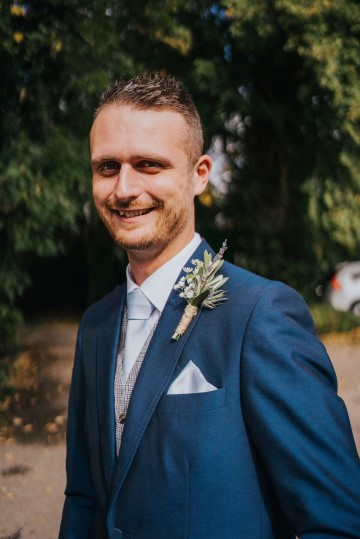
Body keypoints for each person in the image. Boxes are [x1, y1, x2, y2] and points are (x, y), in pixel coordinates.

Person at [59, 73, 360, 539]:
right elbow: (84, 498)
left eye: (149, 165)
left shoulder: (261, 314)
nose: (123, 188)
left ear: (199, 174)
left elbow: (340, 523)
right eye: (106, 167)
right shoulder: (95, 326)